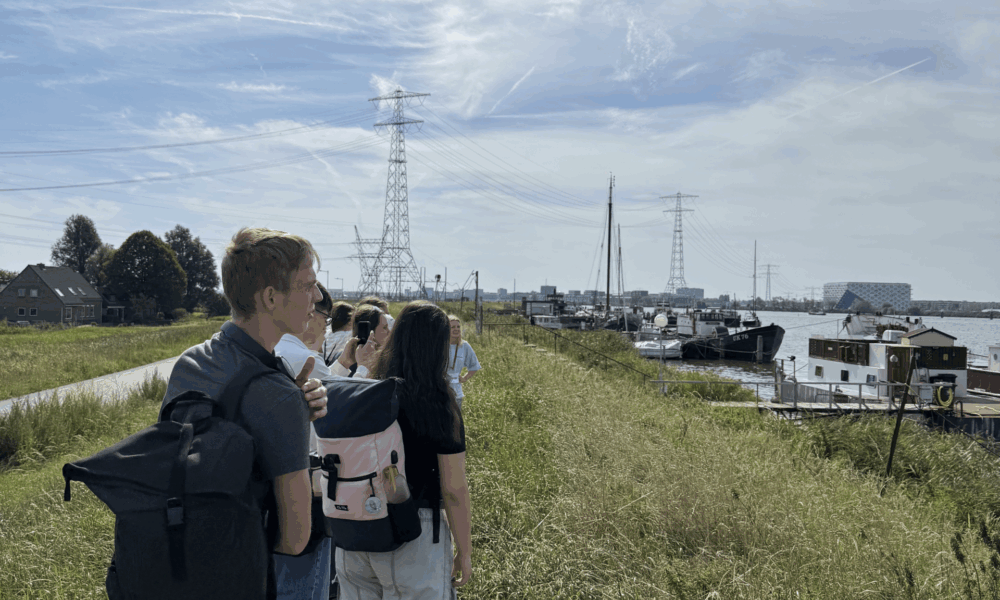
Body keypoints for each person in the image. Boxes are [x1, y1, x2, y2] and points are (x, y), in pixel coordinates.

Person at [161, 227, 329, 598]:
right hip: (254, 578)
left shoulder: (191, 362)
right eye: (307, 285)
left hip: (186, 559)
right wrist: (291, 414)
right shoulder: (276, 394)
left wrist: (292, 405)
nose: (317, 298)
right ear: (270, 297)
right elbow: (294, 538)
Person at [335, 301, 473, 599]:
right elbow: (453, 489)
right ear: (438, 347)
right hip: (414, 535)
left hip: (355, 532)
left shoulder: (366, 390)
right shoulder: (438, 403)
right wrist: (464, 550)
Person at [274, 283, 335, 600]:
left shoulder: (268, 353)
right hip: (307, 494)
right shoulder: (307, 360)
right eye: (326, 321)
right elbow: (336, 422)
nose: (326, 330)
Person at [332, 303, 389, 378]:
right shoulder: (352, 364)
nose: (389, 332)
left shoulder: (345, 358)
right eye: (384, 328)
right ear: (370, 332)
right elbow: (356, 388)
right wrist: (363, 367)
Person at [446, 315, 482, 410]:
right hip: (441, 392)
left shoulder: (464, 346)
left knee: (455, 422)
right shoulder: (440, 346)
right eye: (452, 327)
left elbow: (474, 366)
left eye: (458, 327)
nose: (456, 329)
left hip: (457, 393)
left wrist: (465, 378)